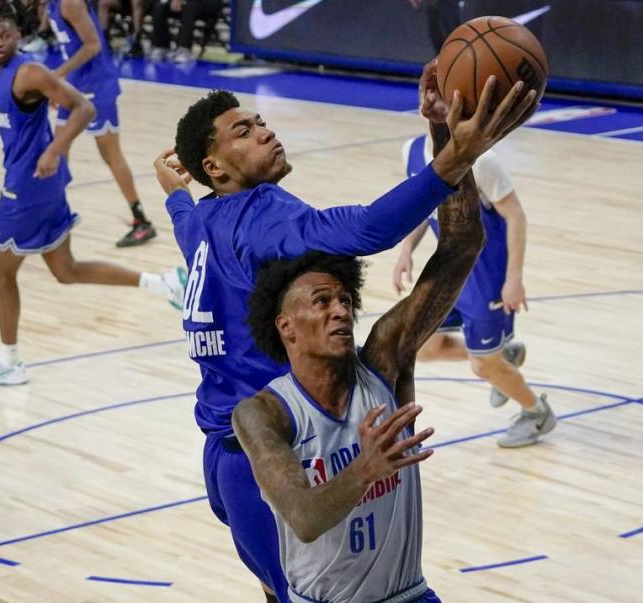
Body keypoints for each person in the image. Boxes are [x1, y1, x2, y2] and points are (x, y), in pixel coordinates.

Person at [156, 64, 537, 600]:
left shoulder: (198, 220)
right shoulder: (261, 216)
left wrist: (173, 186)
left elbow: (178, 209)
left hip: (228, 458)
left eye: (261, 122)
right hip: (279, 447)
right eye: (244, 131)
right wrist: (454, 153)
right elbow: (368, 228)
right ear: (215, 167)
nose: (265, 131)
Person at [231, 115, 485, 601]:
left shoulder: (384, 364)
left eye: (345, 300)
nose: (340, 311)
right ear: (285, 326)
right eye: (321, 302)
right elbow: (302, 517)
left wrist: (449, 137)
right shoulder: (263, 414)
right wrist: (365, 468)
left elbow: (463, 244)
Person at [0, 3, 185, 386]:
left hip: (27, 185)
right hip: (40, 183)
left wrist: (55, 148)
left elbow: (83, 107)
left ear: (18, 36)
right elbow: (2, 112)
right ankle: (164, 283)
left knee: (0, 272)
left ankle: (10, 363)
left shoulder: (30, 71)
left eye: (6, 35)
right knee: (65, 269)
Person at [393, 133, 556, 448]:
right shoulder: (411, 151)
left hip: (485, 276)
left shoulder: (481, 159)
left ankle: (536, 413)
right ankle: (501, 359)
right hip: (448, 270)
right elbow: (422, 208)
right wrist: (406, 250)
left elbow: (516, 215)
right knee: (422, 347)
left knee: (482, 366)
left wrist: (514, 278)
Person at [48, 0, 156, 247]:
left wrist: (57, 75)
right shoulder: (51, 5)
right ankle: (54, 216)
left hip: (96, 85)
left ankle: (142, 221)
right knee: (57, 150)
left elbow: (93, 44)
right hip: (74, 86)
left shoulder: (70, 4)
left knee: (110, 154)